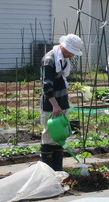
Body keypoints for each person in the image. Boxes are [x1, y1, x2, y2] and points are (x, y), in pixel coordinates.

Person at [40, 34, 83, 171]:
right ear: (64, 47)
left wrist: (62, 104)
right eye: (72, 52)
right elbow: (46, 86)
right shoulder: (50, 60)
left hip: (62, 103)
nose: (73, 55)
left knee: (60, 136)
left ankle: (58, 171)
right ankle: (48, 173)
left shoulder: (63, 59)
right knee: (48, 136)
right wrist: (55, 105)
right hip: (51, 106)